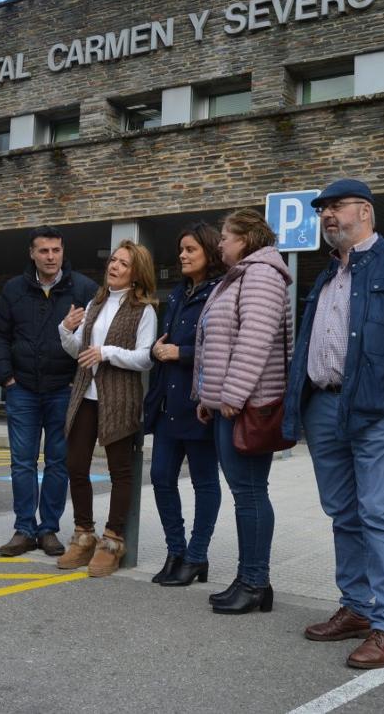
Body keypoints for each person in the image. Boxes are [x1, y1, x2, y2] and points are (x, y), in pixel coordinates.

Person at [283, 178, 384, 670]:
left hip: (375, 411)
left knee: (376, 513)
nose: (328, 215)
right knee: (343, 514)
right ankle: (355, 607)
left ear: (366, 211)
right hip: (324, 408)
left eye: (337, 207)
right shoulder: (328, 272)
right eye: (323, 210)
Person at [193, 208, 291, 615]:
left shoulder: (262, 275)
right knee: (245, 494)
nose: (220, 243)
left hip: (247, 405)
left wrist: (231, 394)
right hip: (230, 405)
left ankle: (255, 582)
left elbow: (255, 339)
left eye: (226, 237)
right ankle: (250, 578)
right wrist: (208, 397)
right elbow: (218, 344)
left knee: (250, 493)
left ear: (247, 240)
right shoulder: (239, 278)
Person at [0, 226, 98, 557]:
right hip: (21, 389)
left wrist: (77, 379)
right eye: (44, 251)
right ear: (32, 254)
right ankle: (24, 529)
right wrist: (5, 376)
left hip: (63, 390)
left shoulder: (84, 288)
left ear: (63, 251)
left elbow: (96, 337)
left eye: (56, 250)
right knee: (22, 462)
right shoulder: (13, 289)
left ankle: (48, 528)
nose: (51, 257)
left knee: (58, 462)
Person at [56, 240, 158, 577]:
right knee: (75, 464)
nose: (113, 266)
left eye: (123, 263)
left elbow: (146, 357)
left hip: (119, 398)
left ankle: (113, 540)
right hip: (85, 394)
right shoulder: (95, 303)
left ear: (136, 272)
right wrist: (65, 331)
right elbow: (81, 353)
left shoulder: (144, 310)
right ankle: (83, 534)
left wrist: (107, 352)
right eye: (112, 260)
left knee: (120, 472)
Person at [143, 222, 226, 587]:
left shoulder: (220, 292)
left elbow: (225, 346)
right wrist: (158, 350)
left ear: (209, 252)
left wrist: (182, 352)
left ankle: (197, 555)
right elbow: (165, 343)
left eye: (190, 249)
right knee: (161, 476)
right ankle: (175, 551)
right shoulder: (177, 294)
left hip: (200, 404)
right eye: (181, 249)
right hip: (167, 404)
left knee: (205, 482)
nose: (182, 255)